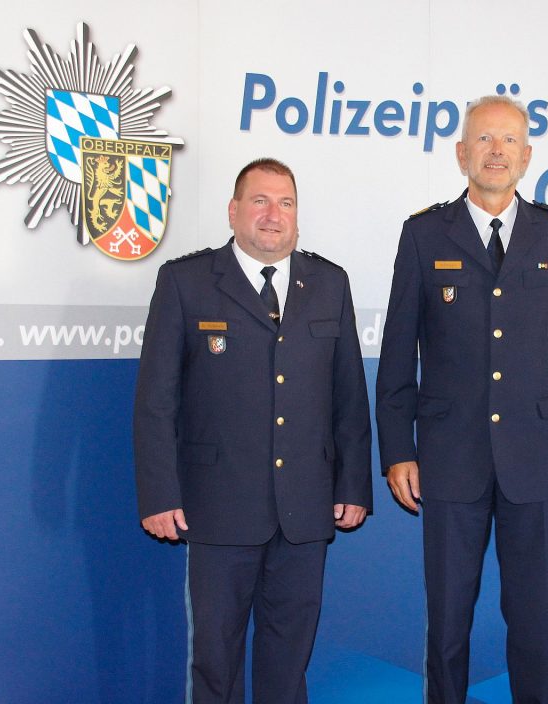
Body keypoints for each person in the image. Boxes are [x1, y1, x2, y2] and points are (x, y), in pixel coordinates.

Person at [375, 95, 548, 703]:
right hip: (450, 460)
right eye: (484, 140)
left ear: (527, 156)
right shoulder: (424, 234)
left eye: (508, 141)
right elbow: (398, 351)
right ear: (461, 154)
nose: (496, 151)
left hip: (536, 460)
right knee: (447, 627)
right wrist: (398, 449)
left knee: (535, 624)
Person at [134, 158, 372, 704]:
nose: (273, 215)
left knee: (289, 662)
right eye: (260, 201)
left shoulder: (330, 283)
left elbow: (349, 398)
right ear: (234, 210)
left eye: (285, 203)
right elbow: (155, 402)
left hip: (306, 510)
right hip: (216, 507)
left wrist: (354, 485)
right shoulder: (186, 281)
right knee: (215, 661)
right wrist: (160, 493)